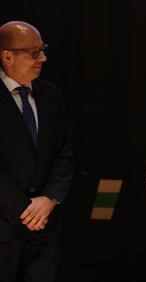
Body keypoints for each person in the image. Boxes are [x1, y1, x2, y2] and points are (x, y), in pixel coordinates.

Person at [0, 21, 74, 282]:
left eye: (42, 49)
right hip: (5, 222)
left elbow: (64, 151)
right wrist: (24, 208)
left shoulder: (50, 94)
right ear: (7, 56)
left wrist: (49, 199)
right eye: (34, 52)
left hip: (46, 223)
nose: (43, 57)